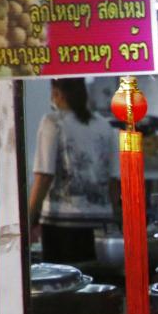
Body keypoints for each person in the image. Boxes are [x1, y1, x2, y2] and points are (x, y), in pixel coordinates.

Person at [28, 78, 118, 264]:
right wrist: (115, 216)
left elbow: (44, 175)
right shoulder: (104, 126)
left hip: (62, 222)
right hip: (100, 221)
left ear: (57, 93)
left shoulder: (53, 122)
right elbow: (114, 179)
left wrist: (29, 217)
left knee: (65, 286)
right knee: (97, 283)